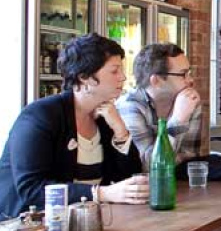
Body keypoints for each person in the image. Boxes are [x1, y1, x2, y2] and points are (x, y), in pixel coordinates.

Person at [0, 34, 148, 220]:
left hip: (83, 223)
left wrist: (120, 131)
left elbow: (128, 179)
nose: (123, 77)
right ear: (84, 77)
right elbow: (32, 189)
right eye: (114, 71)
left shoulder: (105, 116)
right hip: (25, 227)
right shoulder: (40, 116)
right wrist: (101, 193)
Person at [118, 43, 202, 167]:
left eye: (189, 73)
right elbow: (146, 166)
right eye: (183, 74)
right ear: (156, 81)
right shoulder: (130, 106)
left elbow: (189, 160)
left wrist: (165, 160)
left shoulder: (189, 102)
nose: (191, 80)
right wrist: (178, 119)